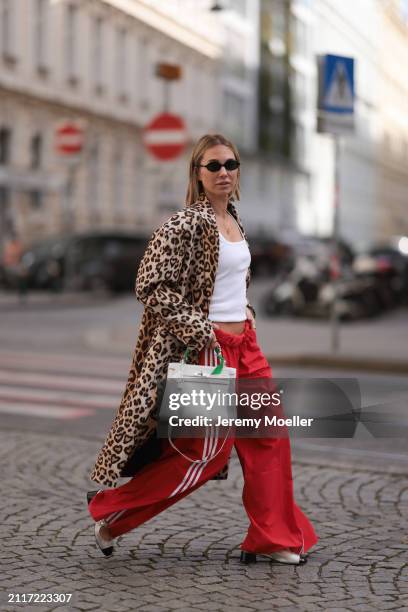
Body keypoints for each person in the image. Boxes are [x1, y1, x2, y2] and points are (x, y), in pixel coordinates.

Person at [88, 134, 318, 564]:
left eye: (230, 164)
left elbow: (230, 281)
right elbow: (150, 286)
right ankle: (111, 514)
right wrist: (202, 330)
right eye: (213, 166)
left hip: (245, 345)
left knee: (269, 437)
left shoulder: (235, 220)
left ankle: (273, 539)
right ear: (197, 172)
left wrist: (245, 312)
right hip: (206, 351)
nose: (224, 173)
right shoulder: (185, 224)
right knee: (205, 456)